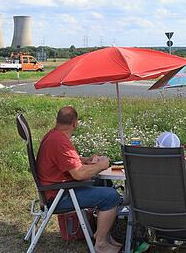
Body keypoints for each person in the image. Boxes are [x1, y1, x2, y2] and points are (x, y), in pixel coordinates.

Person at [36, 106, 122, 253]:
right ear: (75, 123)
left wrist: (86, 160)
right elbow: (79, 174)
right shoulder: (60, 141)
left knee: (103, 182)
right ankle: (100, 244)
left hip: (54, 190)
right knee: (111, 196)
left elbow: (66, 161)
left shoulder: (52, 136)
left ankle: (104, 234)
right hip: (59, 196)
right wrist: (102, 165)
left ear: (57, 120)